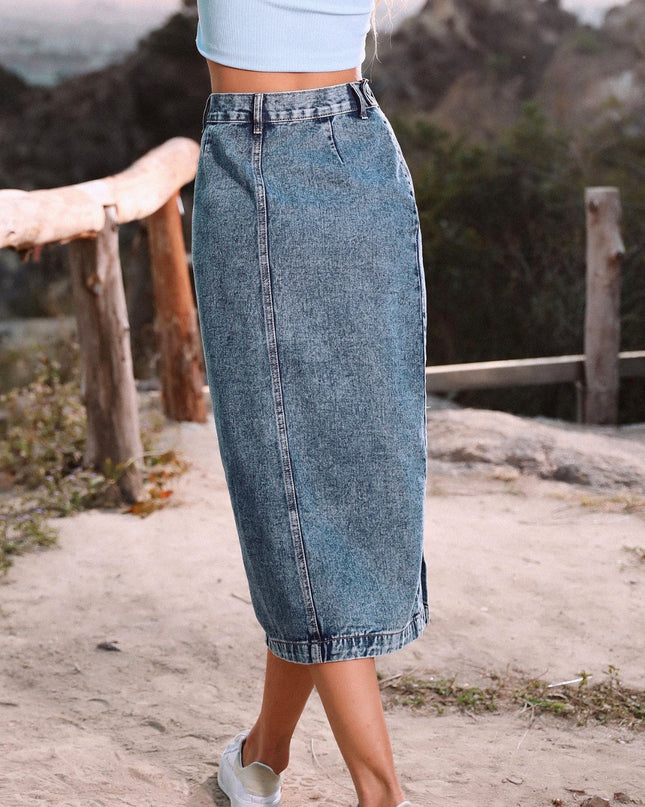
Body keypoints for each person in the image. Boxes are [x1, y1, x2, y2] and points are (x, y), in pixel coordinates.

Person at [190, 2, 428, 806]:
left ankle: (380, 792)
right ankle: (264, 754)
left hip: (257, 157)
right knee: (316, 487)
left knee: (289, 485)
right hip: (359, 150)